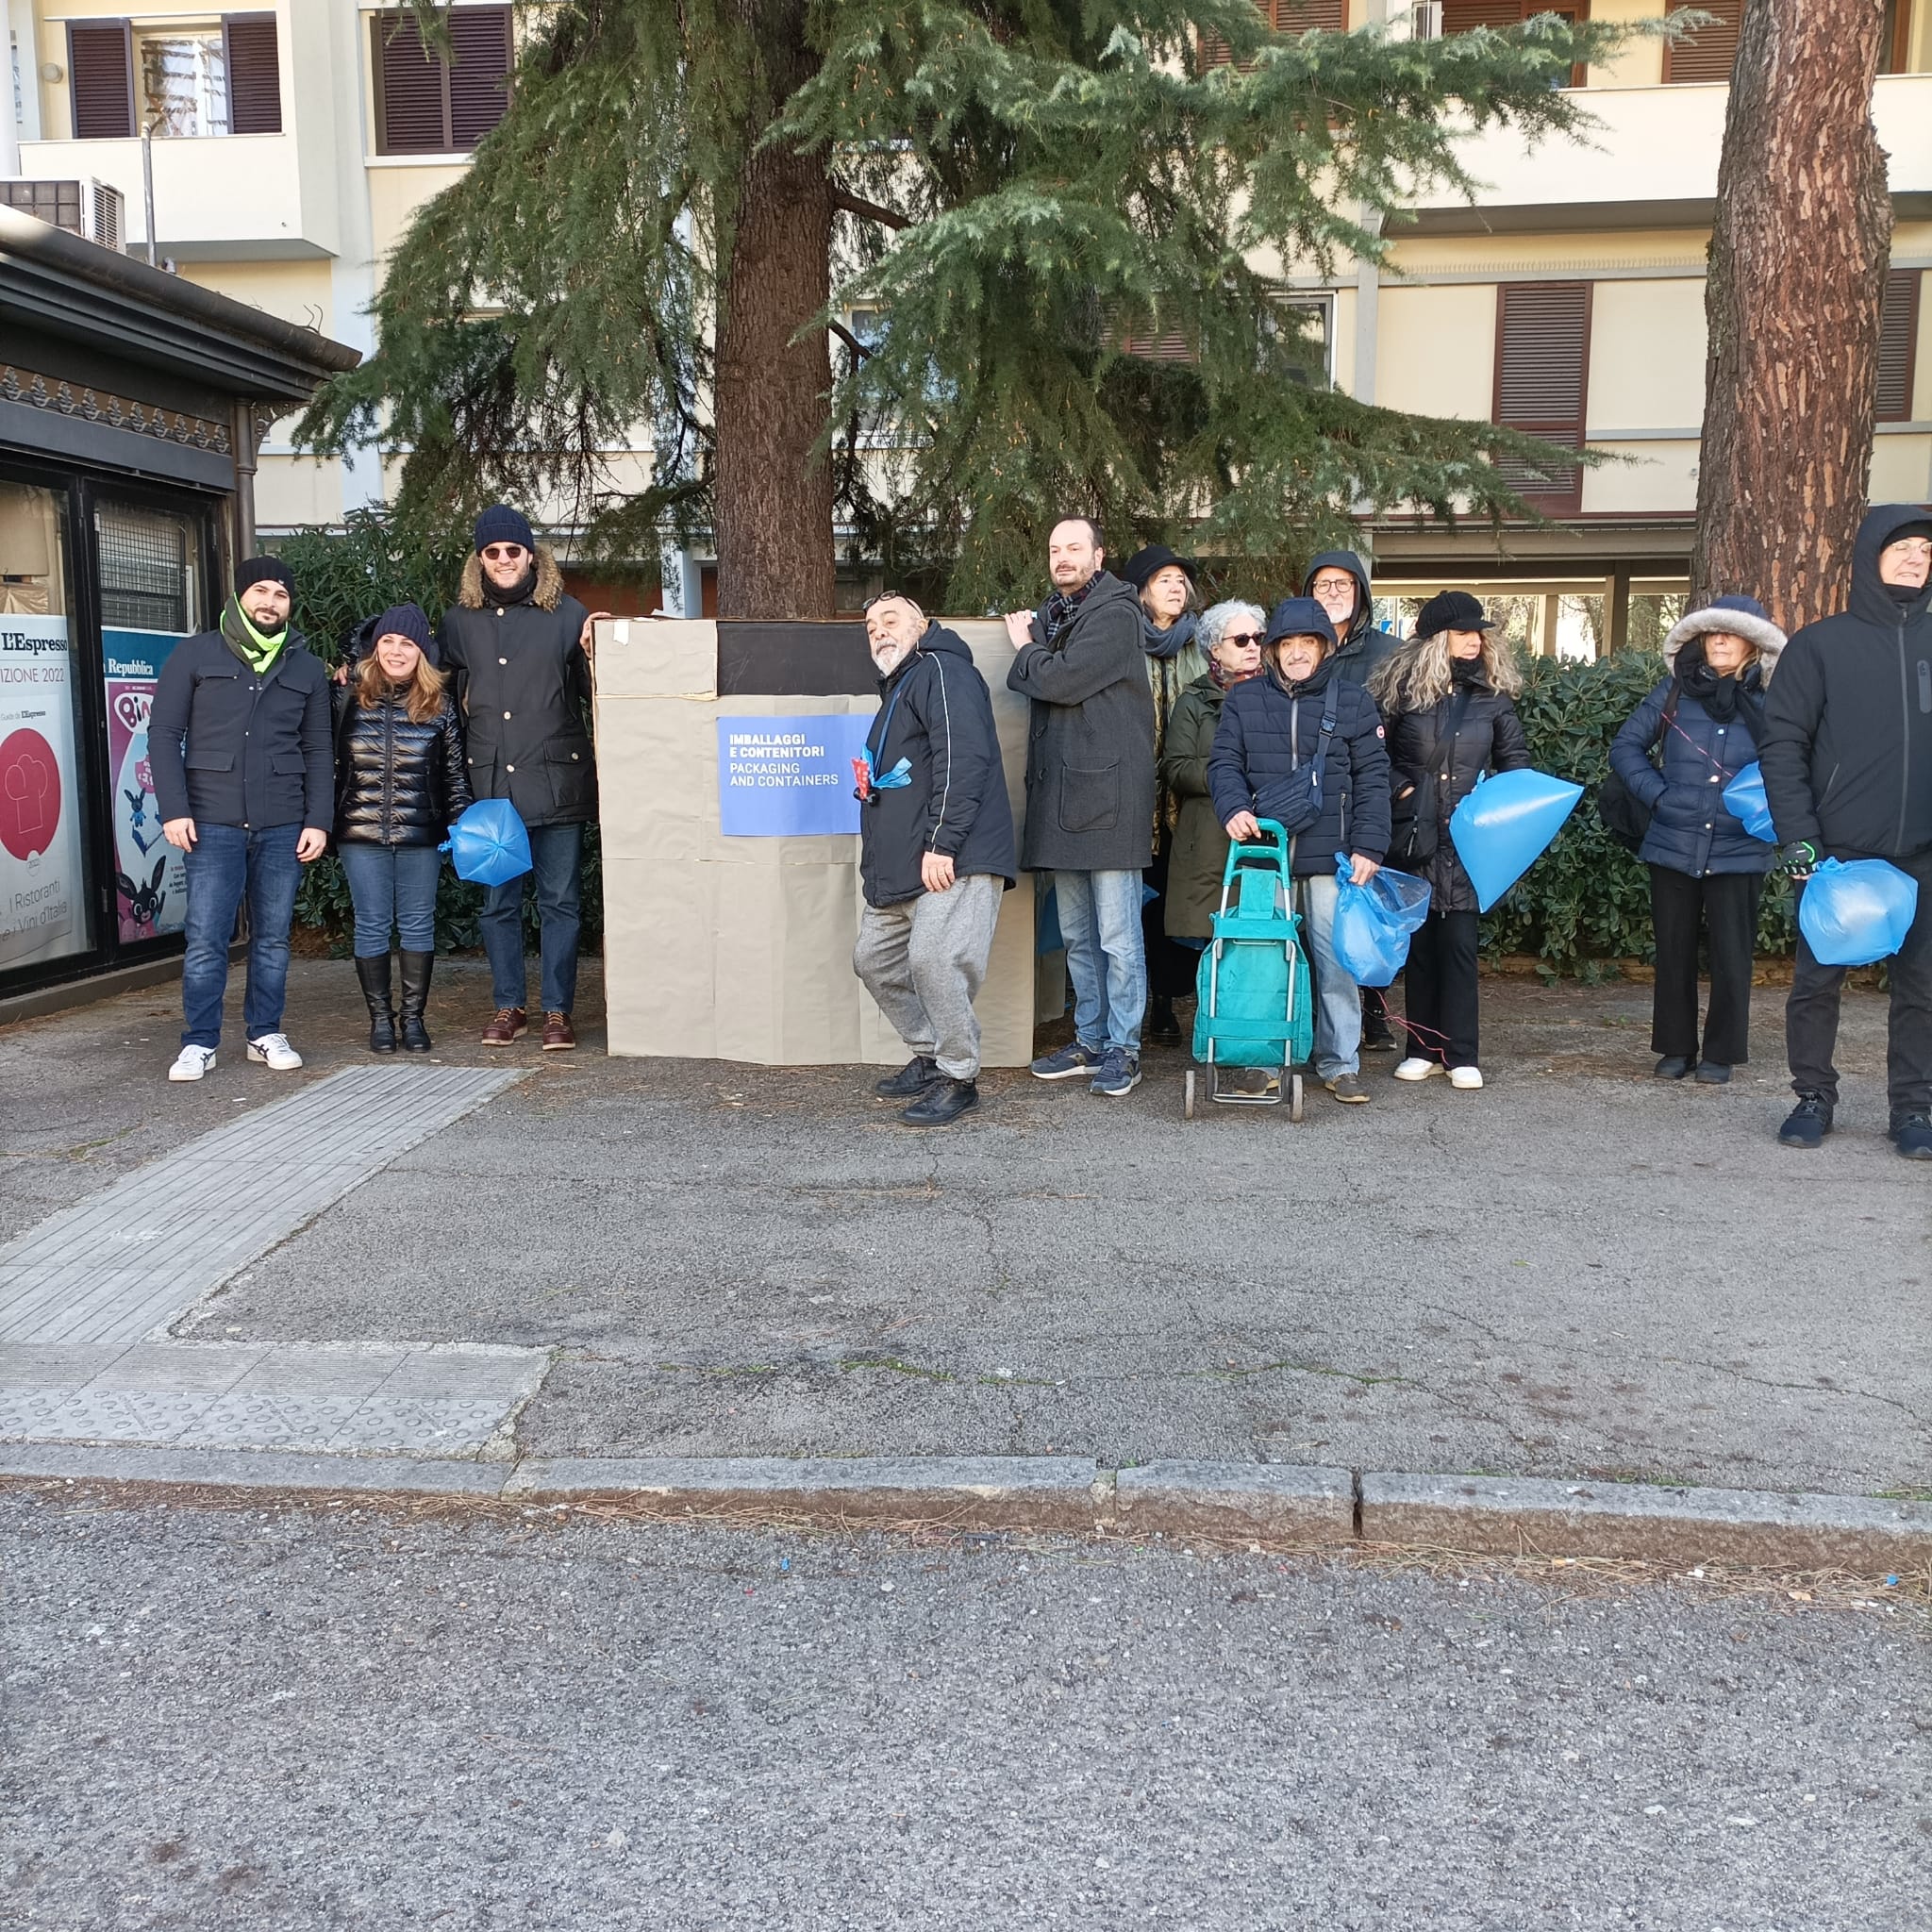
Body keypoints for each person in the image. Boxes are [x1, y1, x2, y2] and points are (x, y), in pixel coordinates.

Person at [1759, 504, 1932, 1158]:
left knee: (1922, 989)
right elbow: (1782, 746)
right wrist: (1798, 837)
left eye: (1926, 550)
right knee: (1816, 983)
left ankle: (1913, 1109)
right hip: (1839, 853)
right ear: (1869, 557)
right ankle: (1812, 1096)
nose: (1917, 558)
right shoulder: (1820, 645)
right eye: (1903, 547)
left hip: (1924, 853)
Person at [148, 557, 332, 1083]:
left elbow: (319, 748)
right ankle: (199, 1042)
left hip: (282, 822)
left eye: (280, 593)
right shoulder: (195, 654)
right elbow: (163, 735)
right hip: (211, 821)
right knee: (207, 938)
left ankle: (263, 1032)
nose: (270, 601)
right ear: (239, 596)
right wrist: (174, 809)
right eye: (261, 590)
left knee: (273, 937)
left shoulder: (305, 667)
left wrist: (317, 819)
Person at [1206, 596, 1391, 1105]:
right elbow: (1223, 765)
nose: (1297, 653)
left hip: (1336, 856)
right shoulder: (1244, 701)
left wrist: (1371, 844)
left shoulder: (1353, 701)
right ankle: (1263, 1060)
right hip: (1267, 853)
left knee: (1336, 964)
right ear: (1272, 651)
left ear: (1324, 648)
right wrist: (1232, 809)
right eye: (1286, 644)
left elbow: (1375, 780)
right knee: (1266, 961)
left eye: (1307, 642)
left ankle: (1340, 1062)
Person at [437, 506, 606, 1052]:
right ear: (479, 560)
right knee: (498, 904)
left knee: (560, 902)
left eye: (514, 550)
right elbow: (434, 690)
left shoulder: (567, 613)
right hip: (491, 790)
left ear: (531, 555)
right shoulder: (459, 622)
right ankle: (509, 1004)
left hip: (559, 783)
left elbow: (598, 695)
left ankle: (557, 1010)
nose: (504, 560)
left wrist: (608, 646)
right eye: (493, 552)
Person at [852, 595, 1017, 1126]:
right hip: (905, 866)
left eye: (891, 620)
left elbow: (964, 756)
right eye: (872, 626)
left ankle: (959, 1076)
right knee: (874, 959)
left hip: (953, 855)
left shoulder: (942, 670)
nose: (879, 631)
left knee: (933, 961)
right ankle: (931, 1054)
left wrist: (943, 842)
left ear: (922, 625)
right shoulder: (900, 686)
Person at [1006, 518, 1157, 1097]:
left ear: (1098, 555)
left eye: (1074, 548)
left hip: (1110, 800)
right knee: (1077, 934)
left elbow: (1064, 681)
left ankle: (1124, 1047)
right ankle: (1091, 1039)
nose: (1062, 558)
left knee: (1118, 936)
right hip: (1063, 799)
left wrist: (1025, 649)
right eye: (1053, 549)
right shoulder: (1056, 613)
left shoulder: (1116, 614)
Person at [1608, 594, 1785, 1086]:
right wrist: (1659, 797)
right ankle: (1675, 1048)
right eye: (1712, 632)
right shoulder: (1674, 691)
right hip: (1673, 842)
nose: (1721, 640)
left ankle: (1721, 1053)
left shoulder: (1777, 698)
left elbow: (1796, 763)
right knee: (1674, 951)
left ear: (1753, 642)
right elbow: (1625, 747)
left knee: (1733, 956)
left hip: (1741, 847)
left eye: (1731, 632)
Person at [1370, 591, 1528, 1091]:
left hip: (1466, 843)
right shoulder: (1399, 693)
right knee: (1419, 947)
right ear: (1438, 637)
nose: (1474, 641)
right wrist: (1403, 787)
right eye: (1463, 631)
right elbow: (1374, 758)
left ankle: (1461, 1052)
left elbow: (1515, 767)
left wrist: (1489, 811)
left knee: (1459, 946)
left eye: (1478, 633)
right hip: (1414, 837)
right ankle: (1422, 1047)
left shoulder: (1493, 700)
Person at [332, 603, 472, 1055]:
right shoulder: (346, 697)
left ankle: (412, 1020)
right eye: (388, 641)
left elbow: (454, 774)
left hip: (421, 833)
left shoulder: (440, 704)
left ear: (421, 653)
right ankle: (380, 1021)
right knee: (371, 924)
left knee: (417, 925)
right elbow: (326, 763)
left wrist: (461, 822)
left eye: (407, 643)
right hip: (360, 831)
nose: (396, 651)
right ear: (374, 647)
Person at [1304, 549, 1403, 1055]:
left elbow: (1412, 723)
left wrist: (1402, 781)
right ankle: (1315, 1027)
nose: (1334, 592)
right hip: (1317, 807)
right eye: (1323, 585)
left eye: (1344, 584)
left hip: (1377, 793)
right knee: (1322, 927)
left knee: (1368, 911)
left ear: (1361, 593)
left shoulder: (1391, 652)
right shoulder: (1296, 650)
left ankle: (1375, 1010)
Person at [1121, 543, 1208, 1046]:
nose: (1176, 588)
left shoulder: (1199, 641)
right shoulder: (1123, 640)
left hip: (1187, 796)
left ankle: (1173, 999)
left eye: (1180, 580)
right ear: (1141, 592)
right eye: (1163, 580)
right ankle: (1148, 1000)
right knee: (1140, 904)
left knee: (1181, 898)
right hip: (1134, 797)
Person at [1160, 600, 1266, 945]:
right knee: (1212, 952)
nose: (1252, 646)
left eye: (1258, 637)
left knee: (1262, 944)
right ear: (1215, 650)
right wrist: (1229, 775)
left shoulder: (1280, 696)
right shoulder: (1193, 700)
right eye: (1241, 640)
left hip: (1265, 837)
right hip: (1207, 840)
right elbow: (1176, 767)